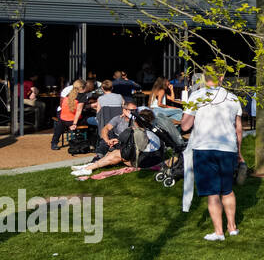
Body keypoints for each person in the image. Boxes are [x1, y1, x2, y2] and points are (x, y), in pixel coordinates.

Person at [181, 70, 243, 241]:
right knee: (228, 190)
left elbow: (185, 126)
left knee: (213, 192)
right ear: (221, 78)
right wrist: (239, 152)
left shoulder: (197, 96)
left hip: (205, 147)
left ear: (203, 79)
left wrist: (185, 116)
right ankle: (232, 227)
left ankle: (219, 232)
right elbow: (238, 128)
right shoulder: (232, 98)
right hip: (228, 147)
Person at [72, 108, 166, 177]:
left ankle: (89, 168)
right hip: (156, 157)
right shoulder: (153, 129)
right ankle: (90, 166)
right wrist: (118, 141)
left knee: (116, 154)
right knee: (115, 151)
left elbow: (127, 153)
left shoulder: (138, 131)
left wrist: (119, 149)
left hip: (146, 161)